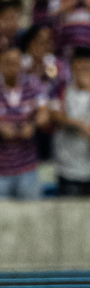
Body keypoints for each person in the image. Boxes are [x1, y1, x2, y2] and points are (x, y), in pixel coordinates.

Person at [50, 47, 90, 196]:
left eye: (88, 69)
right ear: (73, 68)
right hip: (68, 167)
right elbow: (56, 117)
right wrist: (81, 126)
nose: (84, 73)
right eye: (81, 68)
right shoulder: (61, 89)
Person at [0, 45, 49, 199]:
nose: (12, 67)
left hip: (28, 169)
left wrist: (32, 126)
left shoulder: (33, 85)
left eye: (16, 62)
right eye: (7, 63)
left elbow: (44, 114)